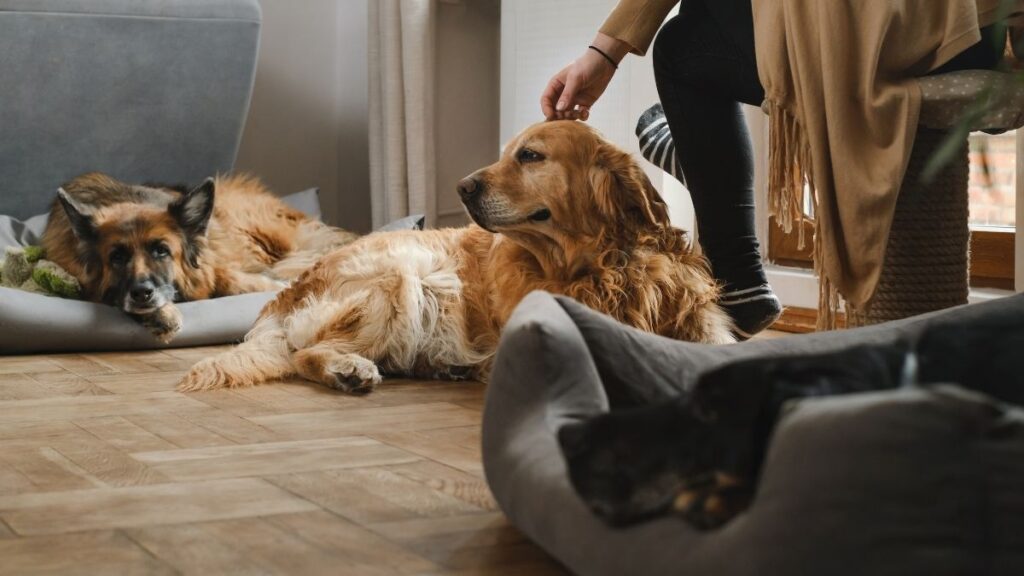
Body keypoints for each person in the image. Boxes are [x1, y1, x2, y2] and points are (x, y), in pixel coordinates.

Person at [540, 0, 1008, 338]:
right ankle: (702, 166)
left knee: (684, 41)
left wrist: (602, 55)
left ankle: (736, 268)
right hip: (977, 34)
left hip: (890, 33)